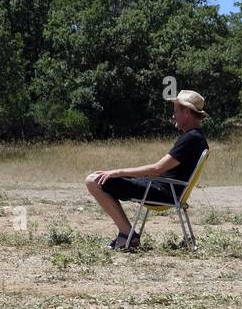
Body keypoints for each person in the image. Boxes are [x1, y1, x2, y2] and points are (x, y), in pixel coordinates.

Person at [84, 90, 208, 252]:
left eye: (176, 111)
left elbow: (157, 169)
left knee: (93, 180)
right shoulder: (196, 138)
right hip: (163, 188)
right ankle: (127, 234)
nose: (173, 116)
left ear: (186, 112)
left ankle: (127, 235)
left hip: (162, 191)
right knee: (100, 178)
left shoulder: (191, 138)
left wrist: (117, 172)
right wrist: (123, 174)